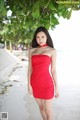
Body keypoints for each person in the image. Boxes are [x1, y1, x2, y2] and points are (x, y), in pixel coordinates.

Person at [28, 26, 59, 120]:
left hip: (47, 84)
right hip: (35, 83)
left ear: (47, 37)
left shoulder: (52, 51)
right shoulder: (32, 50)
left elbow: (53, 70)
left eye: (42, 37)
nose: (40, 39)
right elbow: (30, 68)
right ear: (35, 38)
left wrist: (57, 88)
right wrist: (29, 84)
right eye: (38, 37)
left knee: (48, 110)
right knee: (41, 108)